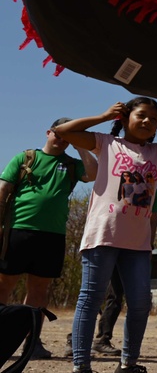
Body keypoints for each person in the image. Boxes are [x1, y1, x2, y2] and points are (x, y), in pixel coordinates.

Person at [56, 98, 157, 373]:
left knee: (140, 303)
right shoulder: (107, 143)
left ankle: (127, 366)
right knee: (91, 299)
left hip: (137, 243)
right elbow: (66, 131)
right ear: (125, 118)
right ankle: (80, 369)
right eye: (141, 115)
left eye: (154, 119)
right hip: (103, 234)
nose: (147, 122)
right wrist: (104, 114)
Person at [0, 118, 96, 359]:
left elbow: (93, 174)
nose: (62, 139)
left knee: (39, 291)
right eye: (60, 134)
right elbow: (2, 189)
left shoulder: (73, 164)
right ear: (48, 132)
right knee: (4, 285)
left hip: (53, 235)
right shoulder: (25, 158)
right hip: (18, 230)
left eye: (68, 136)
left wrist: (80, 144)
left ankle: (32, 343)